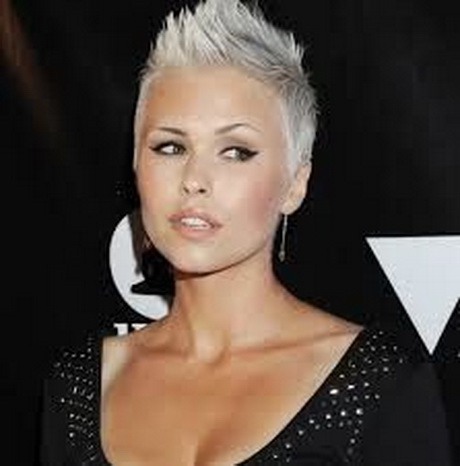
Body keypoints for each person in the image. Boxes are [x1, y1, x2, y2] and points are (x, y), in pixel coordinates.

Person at [40, 0, 453, 464]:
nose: (194, 179)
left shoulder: (379, 386)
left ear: (295, 184)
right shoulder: (79, 386)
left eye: (236, 151)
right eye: (170, 146)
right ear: (136, 167)